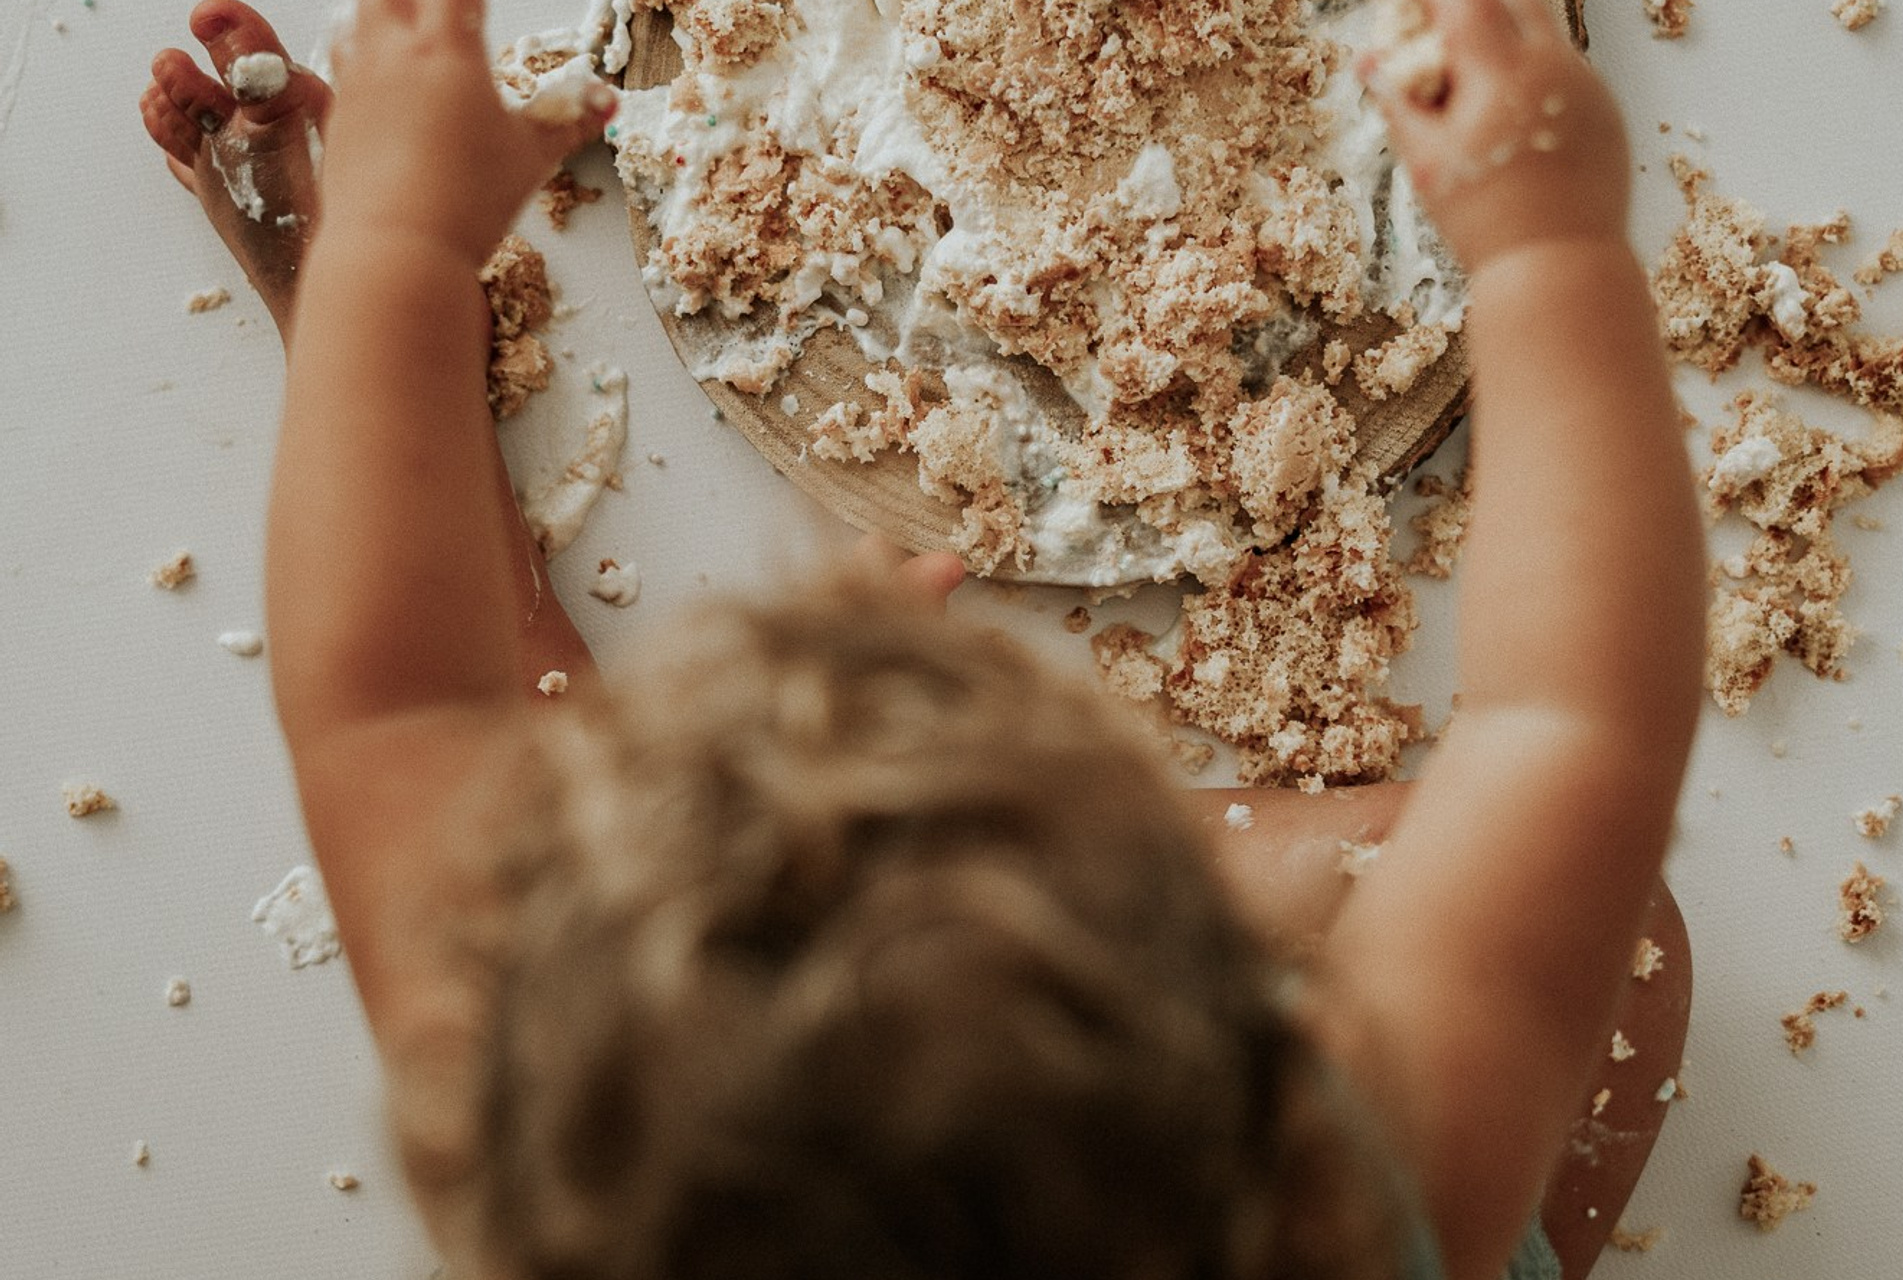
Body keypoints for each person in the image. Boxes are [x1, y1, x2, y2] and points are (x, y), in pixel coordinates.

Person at [138, 0, 1704, 1276]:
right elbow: (1571, 729)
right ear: (1230, 1050)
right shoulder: (1359, 1206)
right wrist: (1551, 248)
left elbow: (399, 701)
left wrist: (379, 264)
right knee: (1623, 953)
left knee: (567, 809)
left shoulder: (549, 1110)